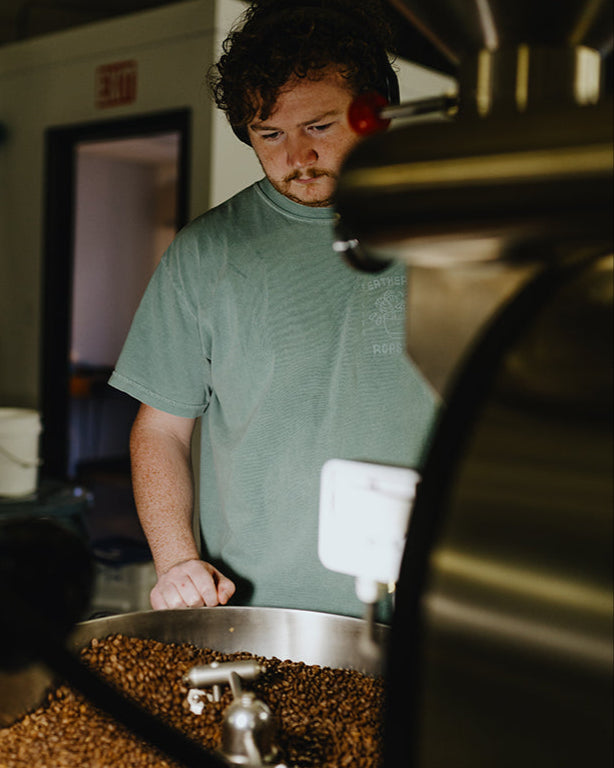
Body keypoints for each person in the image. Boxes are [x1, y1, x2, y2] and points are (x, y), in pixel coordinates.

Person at [109, 0, 439, 619]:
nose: (296, 157)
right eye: (269, 134)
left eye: (318, 126)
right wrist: (177, 560)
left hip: (441, 597)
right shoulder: (207, 252)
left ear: (375, 116)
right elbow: (161, 428)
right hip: (260, 605)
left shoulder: (453, 228)